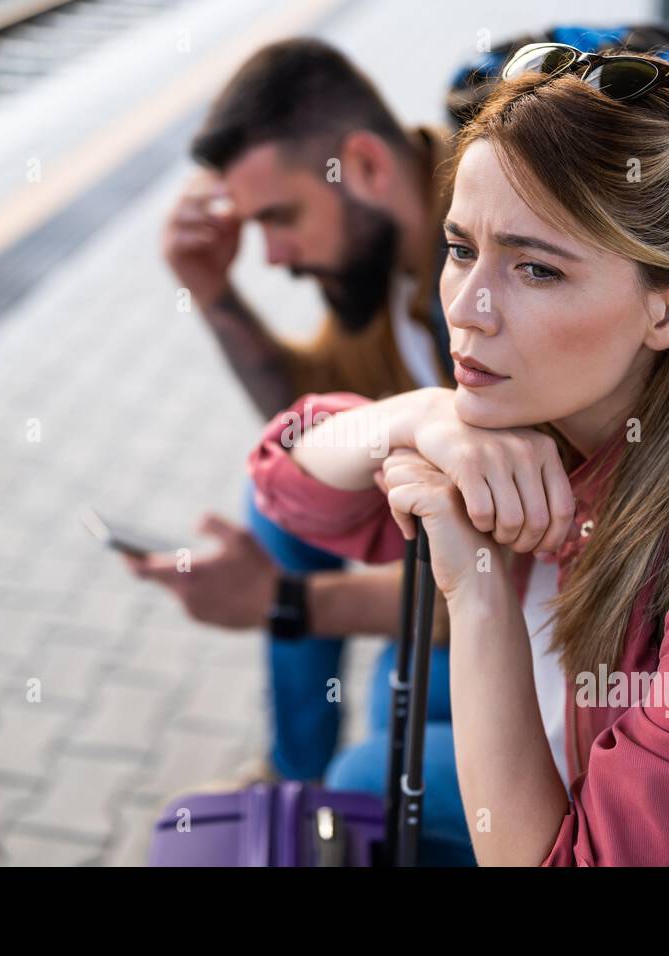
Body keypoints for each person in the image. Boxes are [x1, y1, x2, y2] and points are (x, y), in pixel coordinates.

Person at [245, 44, 669, 865]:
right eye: (462, 248)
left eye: (536, 269)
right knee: (392, 699)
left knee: (371, 766)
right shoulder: (554, 408)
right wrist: (421, 416)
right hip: (590, 717)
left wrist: (476, 594)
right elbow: (286, 483)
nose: (467, 309)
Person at [127, 37, 464, 836]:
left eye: (279, 218)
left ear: (365, 167)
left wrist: (282, 602)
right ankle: (293, 778)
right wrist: (214, 295)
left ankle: (329, 796)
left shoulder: (486, 264)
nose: (271, 256)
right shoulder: (386, 264)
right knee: (276, 500)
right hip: (483, 563)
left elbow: (515, 583)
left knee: (388, 725)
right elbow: (307, 419)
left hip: (584, 629)